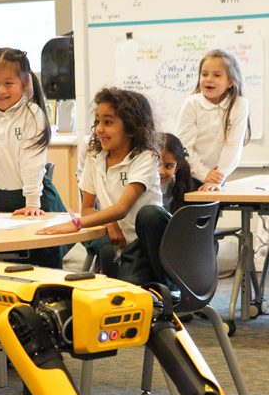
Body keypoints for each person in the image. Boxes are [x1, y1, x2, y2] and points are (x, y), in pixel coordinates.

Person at [36, 87, 170, 287]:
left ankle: (169, 282)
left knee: (149, 214)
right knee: (123, 285)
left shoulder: (146, 157)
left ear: (132, 128)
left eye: (108, 122)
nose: (99, 129)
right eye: (98, 121)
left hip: (148, 242)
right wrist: (109, 221)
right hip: (122, 246)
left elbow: (122, 208)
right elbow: (87, 208)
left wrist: (75, 224)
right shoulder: (94, 155)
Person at [0, 47, 67, 268]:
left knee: (44, 263)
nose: (0, 90)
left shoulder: (33, 114)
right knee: (13, 265)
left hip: (39, 200)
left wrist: (32, 201)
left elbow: (31, 163)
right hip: (5, 202)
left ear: (24, 84)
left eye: (9, 83)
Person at [176, 48, 250, 192]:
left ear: (230, 82)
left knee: (209, 213)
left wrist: (217, 179)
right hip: (188, 176)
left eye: (217, 75)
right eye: (204, 74)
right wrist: (204, 174)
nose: (208, 79)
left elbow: (233, 149)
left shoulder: (239, 105)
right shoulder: (191, 103)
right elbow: (184, 146)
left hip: (216, 177)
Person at [159, 132, 195, 214]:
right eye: (157, 164)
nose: (161, 171)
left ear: (176, 168)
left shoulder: (178, 188)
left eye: (168, 166)